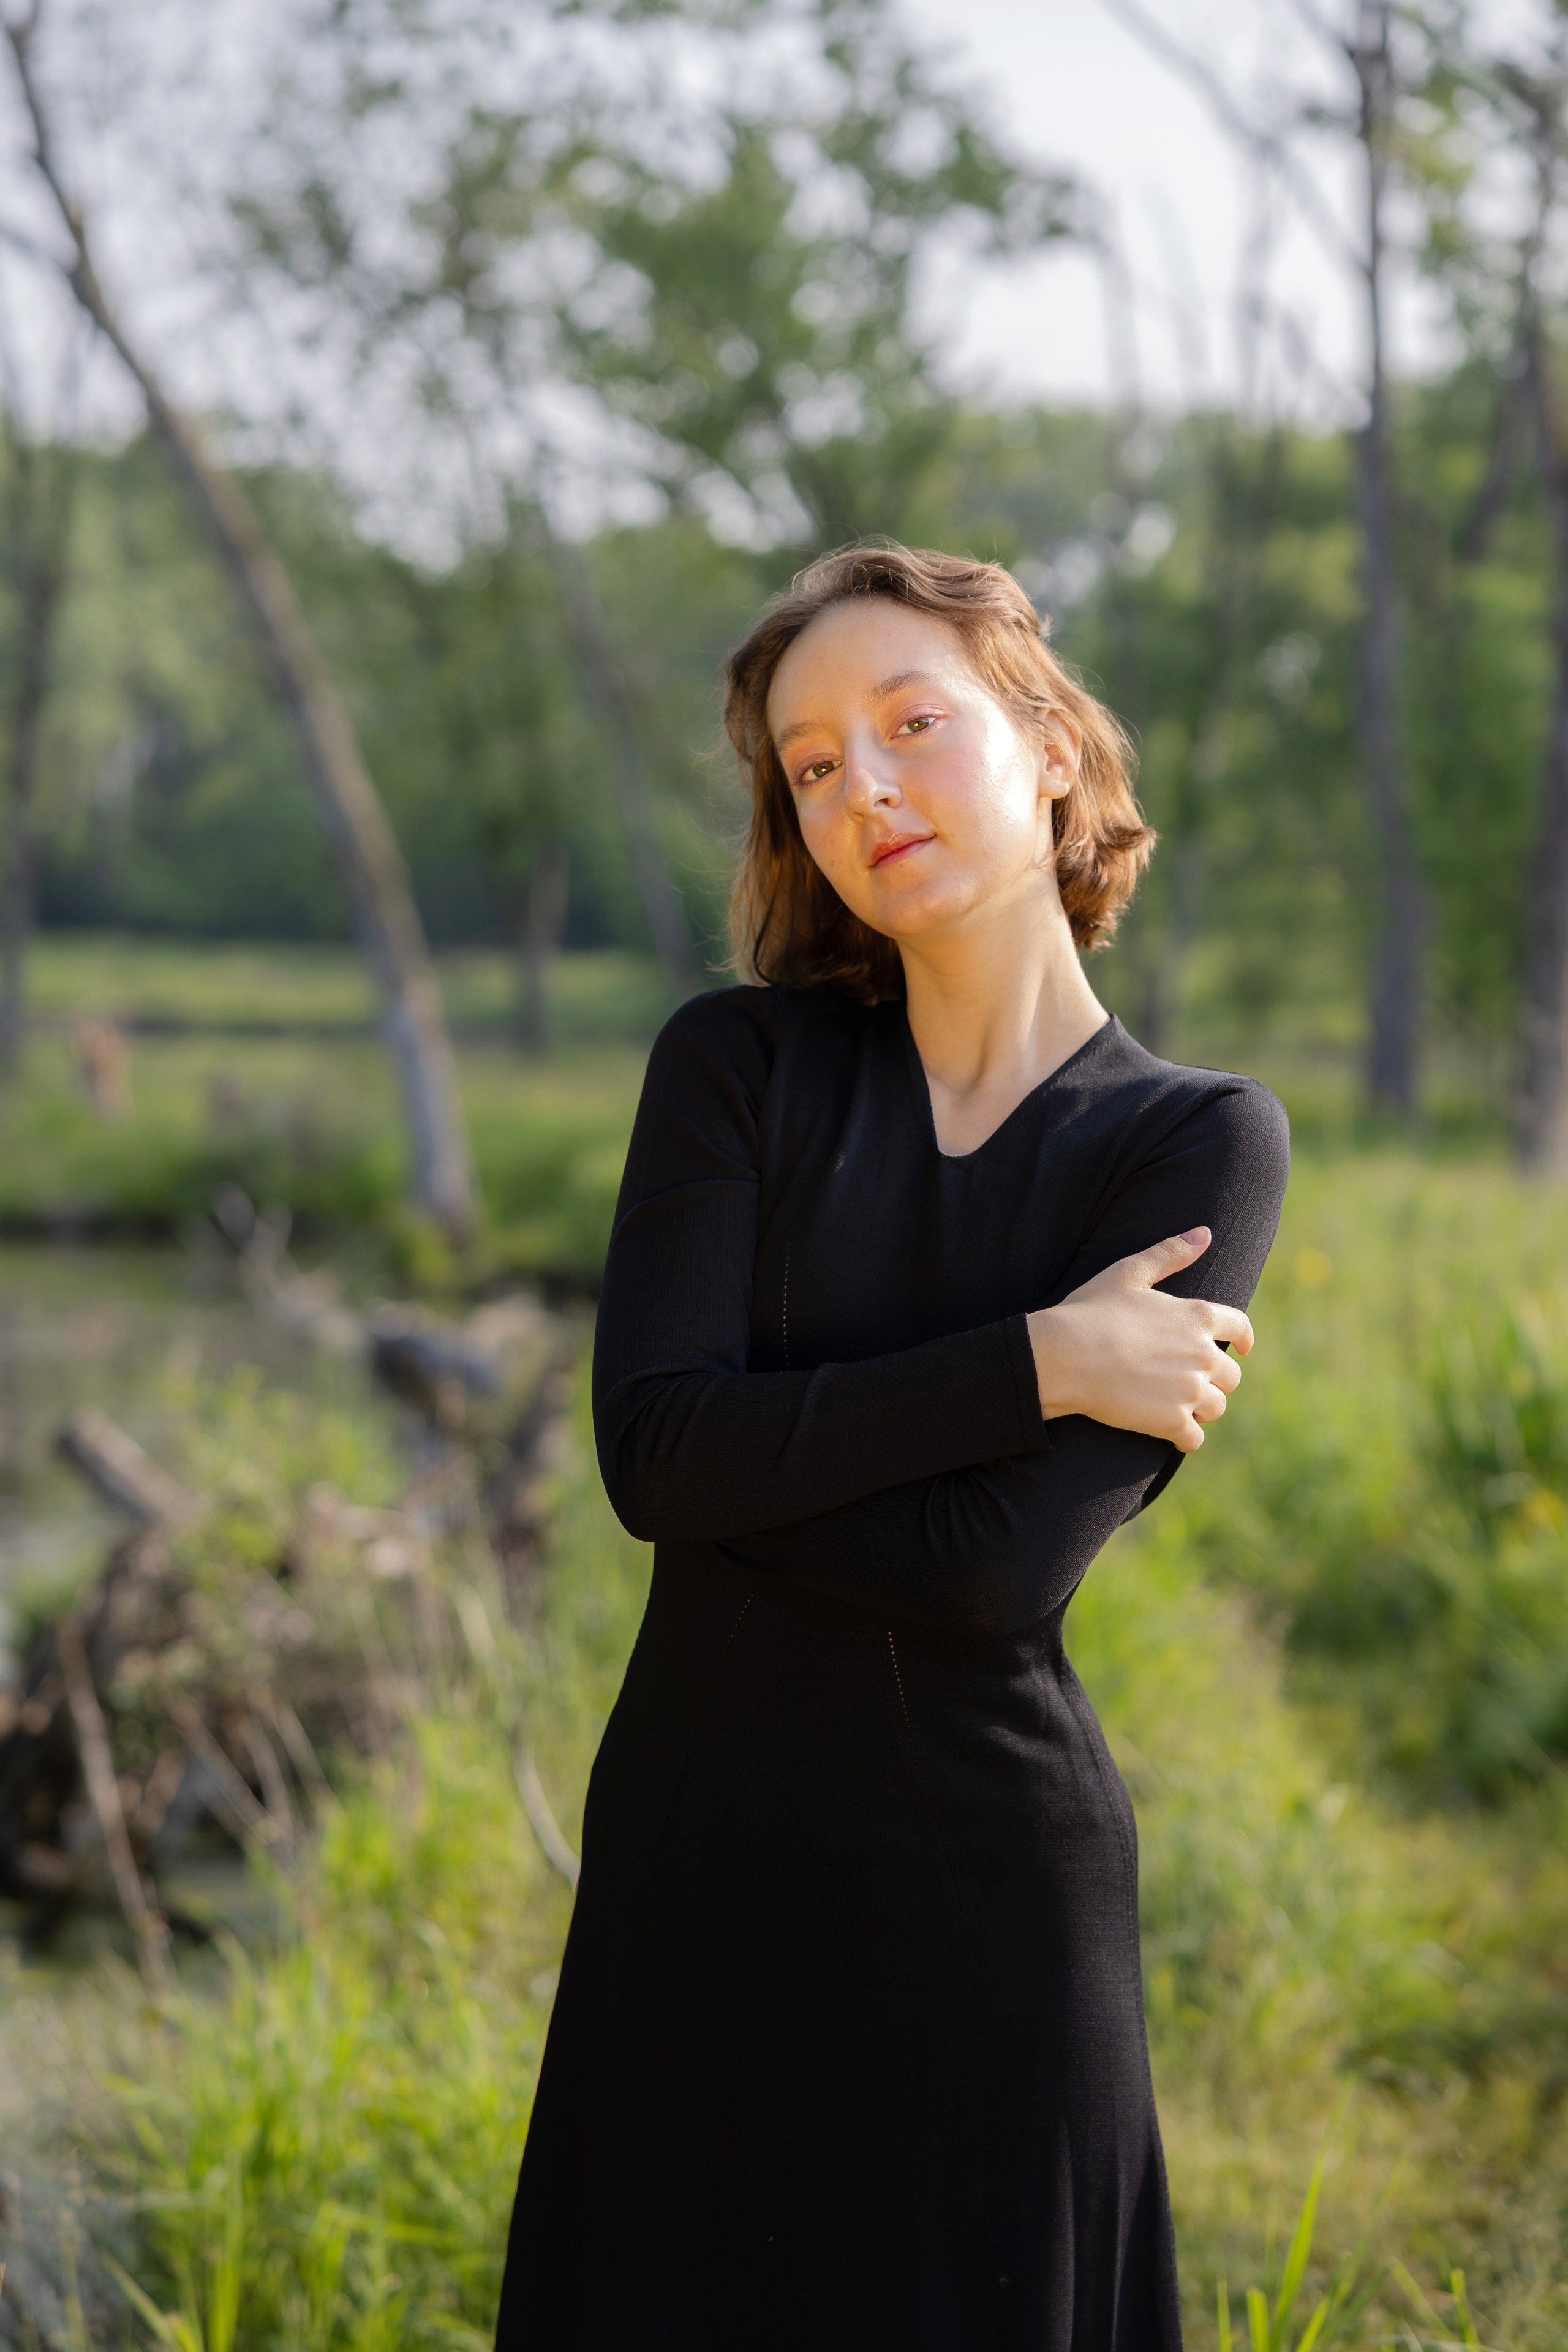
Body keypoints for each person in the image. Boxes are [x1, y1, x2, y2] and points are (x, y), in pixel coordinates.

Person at [494, 545, 1289, 2351]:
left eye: (911, 725)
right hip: (697, 1877)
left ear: (1051, 751)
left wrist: (745, 1466)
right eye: (812, 762)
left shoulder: (1197, 1145)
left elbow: (990, 1571)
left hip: (986, 1906)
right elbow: (651, 1465)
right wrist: (1042, 1358)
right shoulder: (736, 1070)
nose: (863, 786)